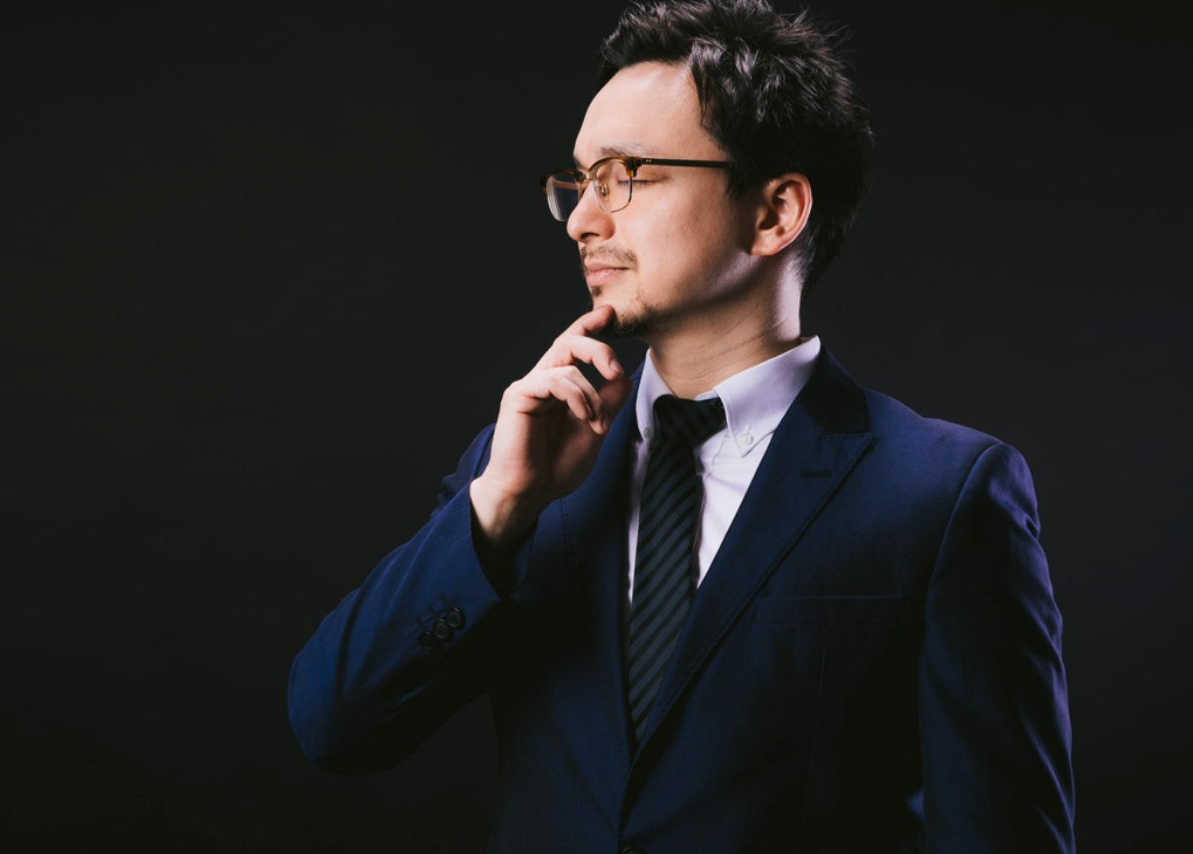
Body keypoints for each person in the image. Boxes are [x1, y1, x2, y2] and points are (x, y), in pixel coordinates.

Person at [287, 0, 1075, 850]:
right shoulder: (522, 467)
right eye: (580, 182)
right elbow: (336, 727)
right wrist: (497, 511)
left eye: (625, 174)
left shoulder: (940, 495)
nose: (583, 220)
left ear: (774, 212)